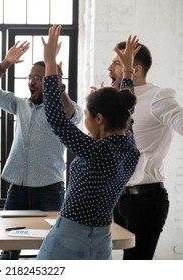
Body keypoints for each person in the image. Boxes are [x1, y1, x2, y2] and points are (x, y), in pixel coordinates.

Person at [37, 25, 140, 260]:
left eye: (87, 116)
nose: (85, 121)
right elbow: (127, 109)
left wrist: (50, 63)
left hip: (69, 239)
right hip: (103, 240)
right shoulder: (131, 149)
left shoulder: (97, 150)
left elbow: (57, 119)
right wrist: (127, 71)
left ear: (100, 119)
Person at [0, 41, 82, 260]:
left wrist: (59, 86)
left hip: (49, 190)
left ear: (50, 80)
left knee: (54, 247)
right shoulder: (20, 104)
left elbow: (72, 114)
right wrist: (5, 62)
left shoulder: (63, 108)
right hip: (17, 188)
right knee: (9, 247)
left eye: (38, 77)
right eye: (30, 77)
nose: (32, 81)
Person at [109, 41, 183, 260]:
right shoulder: (114, 101)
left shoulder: (157, 96)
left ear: (136, 69)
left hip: (145, 201)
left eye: (116, 63)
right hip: (114, 198)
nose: (110, 68)